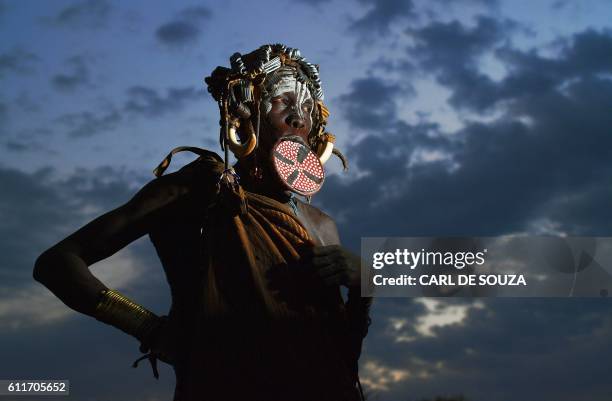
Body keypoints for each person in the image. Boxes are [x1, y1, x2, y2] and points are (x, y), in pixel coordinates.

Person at [33, 43, 372, 401]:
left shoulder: (322, 225)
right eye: (282, 101)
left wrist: (364, 288)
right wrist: (148, 328)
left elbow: (343, 356)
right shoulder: (204, 188)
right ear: (245, 113)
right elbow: (57, 263)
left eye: (306, 108)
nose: (298, 118)